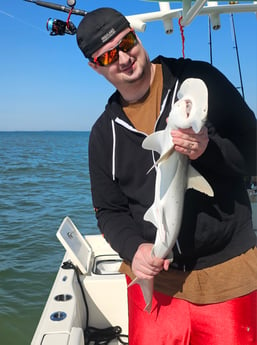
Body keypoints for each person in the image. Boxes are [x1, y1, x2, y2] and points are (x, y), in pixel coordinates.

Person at [76, 7, 257, 345]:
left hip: (227, 272)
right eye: (107, 56)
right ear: (95, 67)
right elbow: (109, 211)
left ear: (135, 33)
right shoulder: (104, 135)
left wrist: (209, 151)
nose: (124, 58)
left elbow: (253, 151)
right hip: (156, 280)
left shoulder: (198, 81)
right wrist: (135, 250)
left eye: (126, 41)